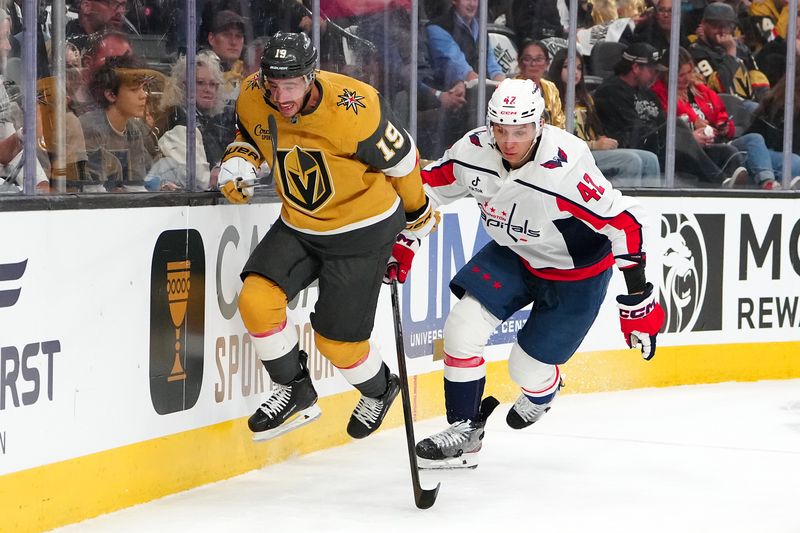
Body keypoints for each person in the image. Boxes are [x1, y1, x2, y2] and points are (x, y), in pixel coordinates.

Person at [413, 78, 664, 468]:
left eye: (520, 131)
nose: (509, 141)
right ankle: (465, 432)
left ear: (540, 124)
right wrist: (394, 227)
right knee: (461, 329)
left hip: (576, 273)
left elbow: (625, 223)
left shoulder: (565, 167)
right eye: (500, 130)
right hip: (515, 253)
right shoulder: (473, 150)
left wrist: (638, 298)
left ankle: (543, 391)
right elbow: (424, 187)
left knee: (525, 368)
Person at [217, 32, 438, 440]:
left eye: (292, 85)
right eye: (274, 84)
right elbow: (250, 137)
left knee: (338, 345)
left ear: (311, 77)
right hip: (300, 223)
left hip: (362, 230)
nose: (282, 96)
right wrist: (238, 161)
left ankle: (381, 388)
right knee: (256, 299)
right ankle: (294, 389)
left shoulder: (357, 106)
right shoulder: (251, 93)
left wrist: (417, 212)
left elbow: (403, 161)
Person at [594, 42, 747, 186]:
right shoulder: (611, 91)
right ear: (635, 68)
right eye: (653, 70)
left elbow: (662, 122)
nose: (656, 75)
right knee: (676, 125)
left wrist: (686, 139)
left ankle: (730, 194)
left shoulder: (647, 93)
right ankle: (721, 182)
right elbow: (634, 132)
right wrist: (680, 138)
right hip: (635, 146)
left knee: (726, 152)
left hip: (660, 146)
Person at [651, 47, 781, 189]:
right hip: (692, 149)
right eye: (681, 75)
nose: (687, 78)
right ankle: (751, 184)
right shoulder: (661, 94)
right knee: (735, 151)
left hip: (718, 141)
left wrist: (724, 126)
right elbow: (672, 125)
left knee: (755, 139)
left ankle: (768, 182)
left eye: (689, 72)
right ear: (667, 75)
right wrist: (696, 124)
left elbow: (724, 118)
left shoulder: (701, 91)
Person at [548, 49, 662, 186]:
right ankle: (620, 204)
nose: (575, 72)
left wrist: (601, 139)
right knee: (631, 161)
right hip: (573, 157)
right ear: (557, 68)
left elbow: (596, 129)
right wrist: (594, 145)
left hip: (592, 151)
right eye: (567, 67)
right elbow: (557, 142)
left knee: (650, 159)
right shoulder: (552, 100)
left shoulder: (586, 98)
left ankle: (650, 205)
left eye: (579, 68)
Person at [147, 50, 235, 191]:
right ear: (183, 85)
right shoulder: (177, 119)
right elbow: (203, 180)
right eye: (200, 83)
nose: (208, 90)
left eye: (213, 84)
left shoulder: (214, 121)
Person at [79, 54, 158, 191]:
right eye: (134, 89)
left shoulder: (133, 131)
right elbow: (92, 192)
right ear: (111, 95)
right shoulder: (90, 128)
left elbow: (136, 187)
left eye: (144, 88)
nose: (143, 95)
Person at [689, 2, 770, 107]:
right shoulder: (696, 52)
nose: (722, 31)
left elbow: (758, 78)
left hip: (749, 105)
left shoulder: (742, 48)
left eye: (727, 26)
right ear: (704, 24)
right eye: (716, 26)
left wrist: (765, 105)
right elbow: (721, 87)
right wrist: (730, 52)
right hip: (719, 107)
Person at [516, 40, 565, 129]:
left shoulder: (551, 88)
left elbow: (559, 124)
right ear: (519, 62)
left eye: (539, 59)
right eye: (527, 59)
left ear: (547, 63)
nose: (533, 64)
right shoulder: (510, 88)